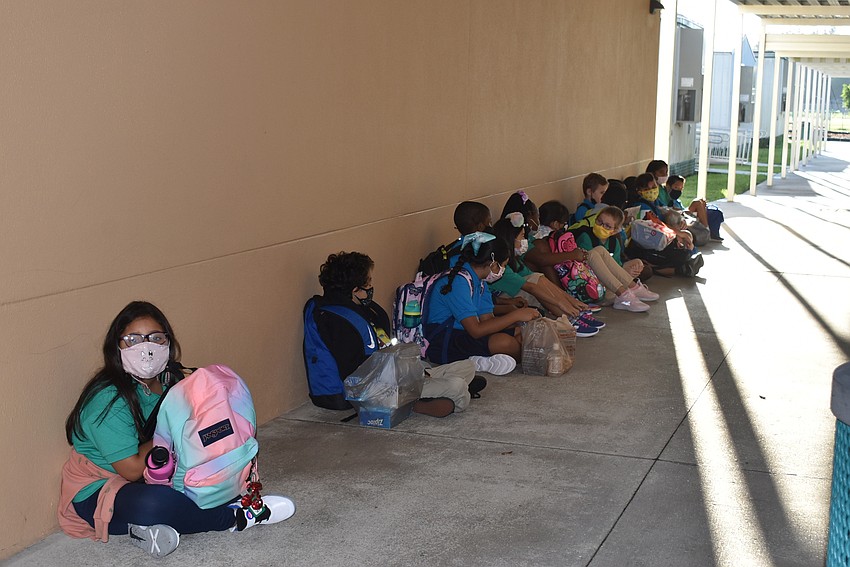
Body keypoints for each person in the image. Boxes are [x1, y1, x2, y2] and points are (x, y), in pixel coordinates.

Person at [58, 301, 295, 558]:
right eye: (133, 339)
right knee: (156, 504)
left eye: (156, 338)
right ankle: (237, 517)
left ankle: (154, 528)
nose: (145, 348)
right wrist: (173, 431)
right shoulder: (107, 400)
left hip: (162, 473)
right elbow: (132, 469)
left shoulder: (173, 381)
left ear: (168, 345)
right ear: (116, 346)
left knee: (211, 480)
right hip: (104, 487)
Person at [313, 252, 483, 417]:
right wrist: (405, 374)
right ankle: (414, 403)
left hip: (394, 371)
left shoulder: (361, 310)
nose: (371, 285)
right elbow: (360, 372)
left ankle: (432, 390)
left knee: (467, 366)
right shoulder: (339, 322)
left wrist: (411, 368)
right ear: (355, 290)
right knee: (458, 387)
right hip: (380, 386)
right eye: (368, 281)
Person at [423, 232, 541, 368]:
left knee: (521, 333)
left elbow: (487, 320)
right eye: (503, 265)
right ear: (493, 263)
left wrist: (518, 324)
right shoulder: (457, 282)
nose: (502, 270)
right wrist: (515, 316)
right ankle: (474, 361)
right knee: (505, 343)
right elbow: (476, 330)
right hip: (446, 341)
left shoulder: (480, 281)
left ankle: (482, 358)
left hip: (465, 333)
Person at [490, 216, 604, 336]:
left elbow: (540, 280)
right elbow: (531, 287)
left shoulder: (515, 261)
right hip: (505, 302)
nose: (525, 240)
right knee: (534, 281)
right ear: (511, 239)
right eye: (522, 237)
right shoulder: (500, 267)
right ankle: (567, 318)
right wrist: (560, 303)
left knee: (538, 277)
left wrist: (570, 300)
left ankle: (571, 313)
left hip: (520, 295)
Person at [569, 206, 659, 312]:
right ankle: (623, 294)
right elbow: (587, 266)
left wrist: (629, 271)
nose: (601, 226)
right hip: (587, 279)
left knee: (603, 251)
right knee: (593, 253)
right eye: (599, 222)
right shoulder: (586, 236)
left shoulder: (613, 242)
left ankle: (633, 288)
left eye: (607, 226)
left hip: (605, 279)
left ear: (615, 231)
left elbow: (616, 265)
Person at [666, 175, 725, 242]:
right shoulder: (666, 197)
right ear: (668, 186)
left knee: (701, 202)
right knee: (697, 202)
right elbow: (669, 210)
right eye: (676, 187)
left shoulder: (677, 201)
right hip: (678, 216)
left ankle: (707, 231)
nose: (678, 191)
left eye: (681, 188)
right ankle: (707, 231)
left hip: (684, 214)